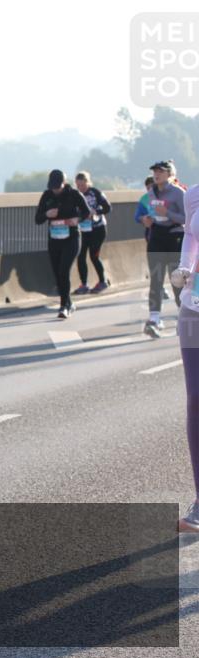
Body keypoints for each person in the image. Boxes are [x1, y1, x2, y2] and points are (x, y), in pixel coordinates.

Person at [172, 182, 199, 532]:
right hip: (194, 310)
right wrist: (185, 267)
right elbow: (191, 236)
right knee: (196, 399)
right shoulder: (193, 194)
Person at [35, 169, 91, 319]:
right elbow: (38, 219)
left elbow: (86, 212)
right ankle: (69, 303)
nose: (56, 190)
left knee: (64, 271)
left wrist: (77, 220)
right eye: (53, 187)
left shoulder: (73, 194)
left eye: (58, 187)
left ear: (64, 183)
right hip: (54, 239)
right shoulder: (47, 196)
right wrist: (47, 214)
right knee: (57, 274)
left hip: (72, 238)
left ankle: (63, 306)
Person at [141, 160, 187, 338]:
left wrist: (166, 213)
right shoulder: (151, 192)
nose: (156, 174)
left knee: (176, 280)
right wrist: (147, 219)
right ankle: (154, 319)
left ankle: (182, 318)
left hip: (175, 237)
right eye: (154, 171)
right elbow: (149, 212)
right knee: (156, 278)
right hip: (157, 237)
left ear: (169, 174)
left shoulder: (178, 193)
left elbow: (186, 218)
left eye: (160, 171)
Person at [72, 171, 112, 295]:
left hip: (98, 229)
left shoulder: (96, 193)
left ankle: (103, 281)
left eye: (82, 185)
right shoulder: (75, 195)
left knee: (94, 256)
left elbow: (107, 207)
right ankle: (83, 284)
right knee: (81, 255)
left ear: (87, 183)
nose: (80, 188)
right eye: (78, 186)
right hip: (83, 230)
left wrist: (95, 211)